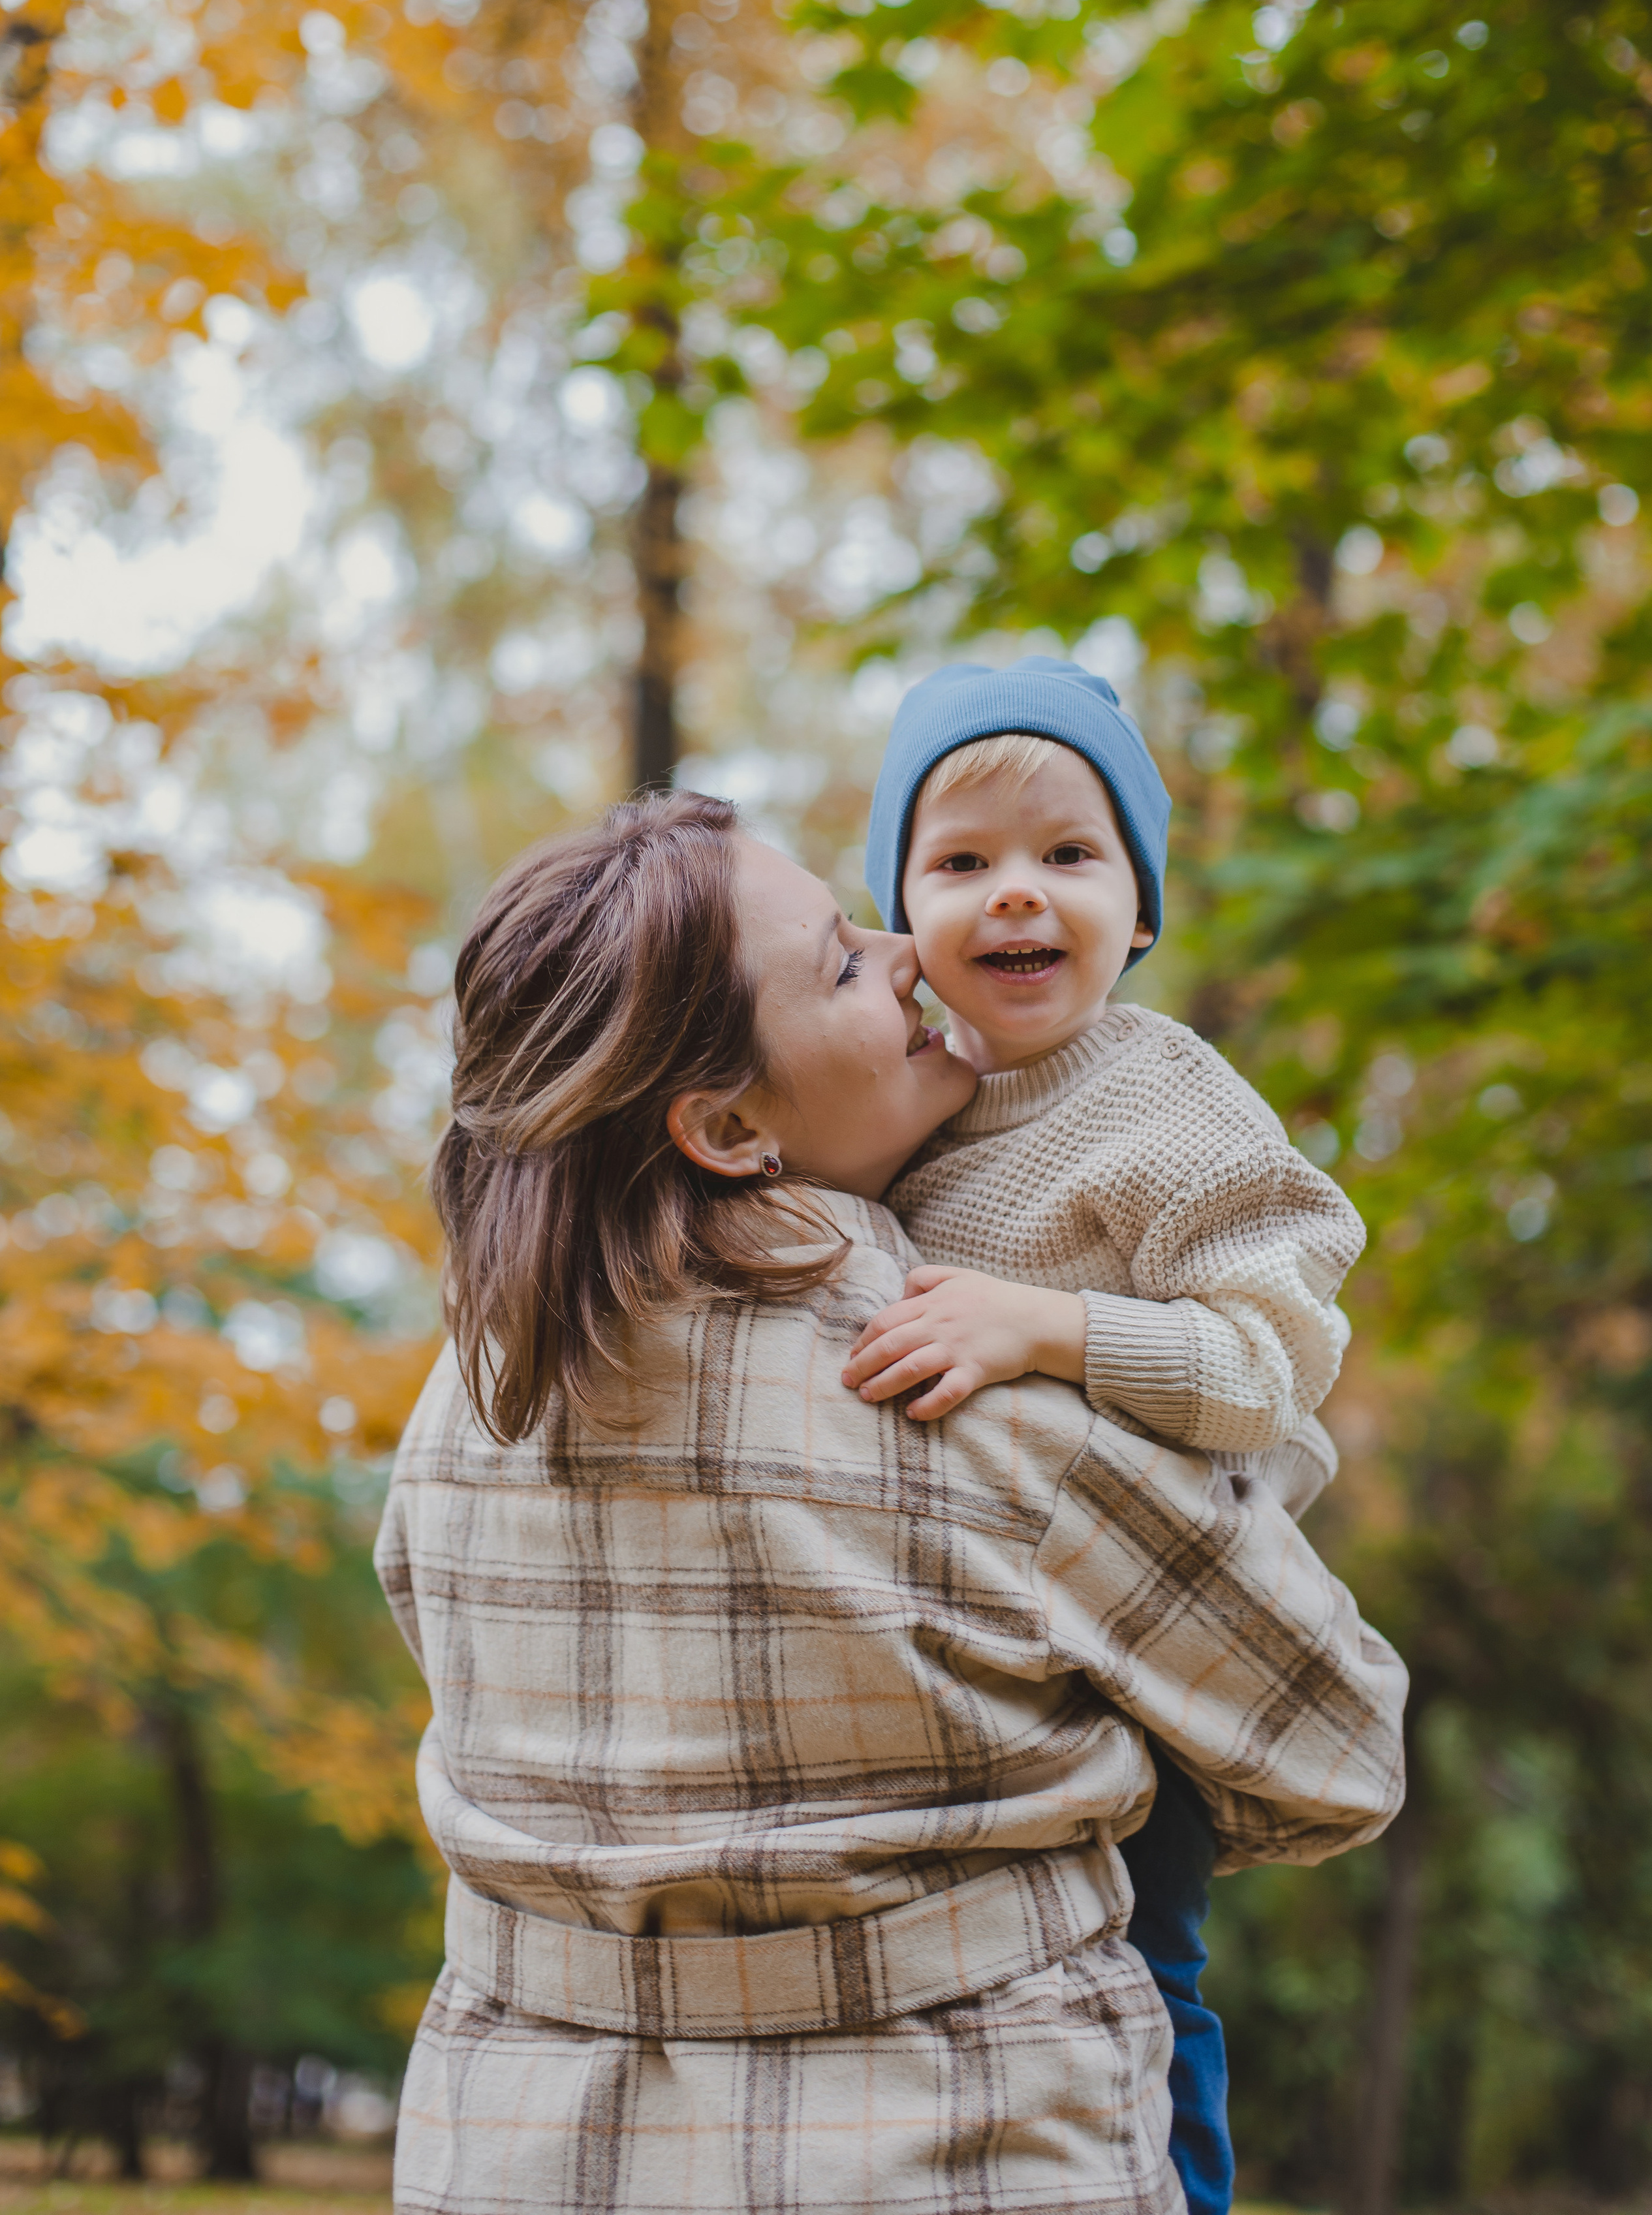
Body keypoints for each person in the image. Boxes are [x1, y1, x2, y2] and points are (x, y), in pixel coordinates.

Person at [376, 790, 1406, 2215]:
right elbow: (1335, 1748)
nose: (906, 952)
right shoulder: (948, 1384)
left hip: (523, 2157)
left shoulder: (468, 1397)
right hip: (958, 2151)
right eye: (842, 964)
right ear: (727, 1125)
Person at [843, 655, 1368, 2215]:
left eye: (1067, 855)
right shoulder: (901, 1104)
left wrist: (1041, 1326)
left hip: (1146, 1645)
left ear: (1137, 909)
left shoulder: (1165, 1101)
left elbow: (1265, 1366)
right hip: (962, 1660)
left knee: (1134, 1974)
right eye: (962, 861)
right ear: (901, 917)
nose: (1016, 895)